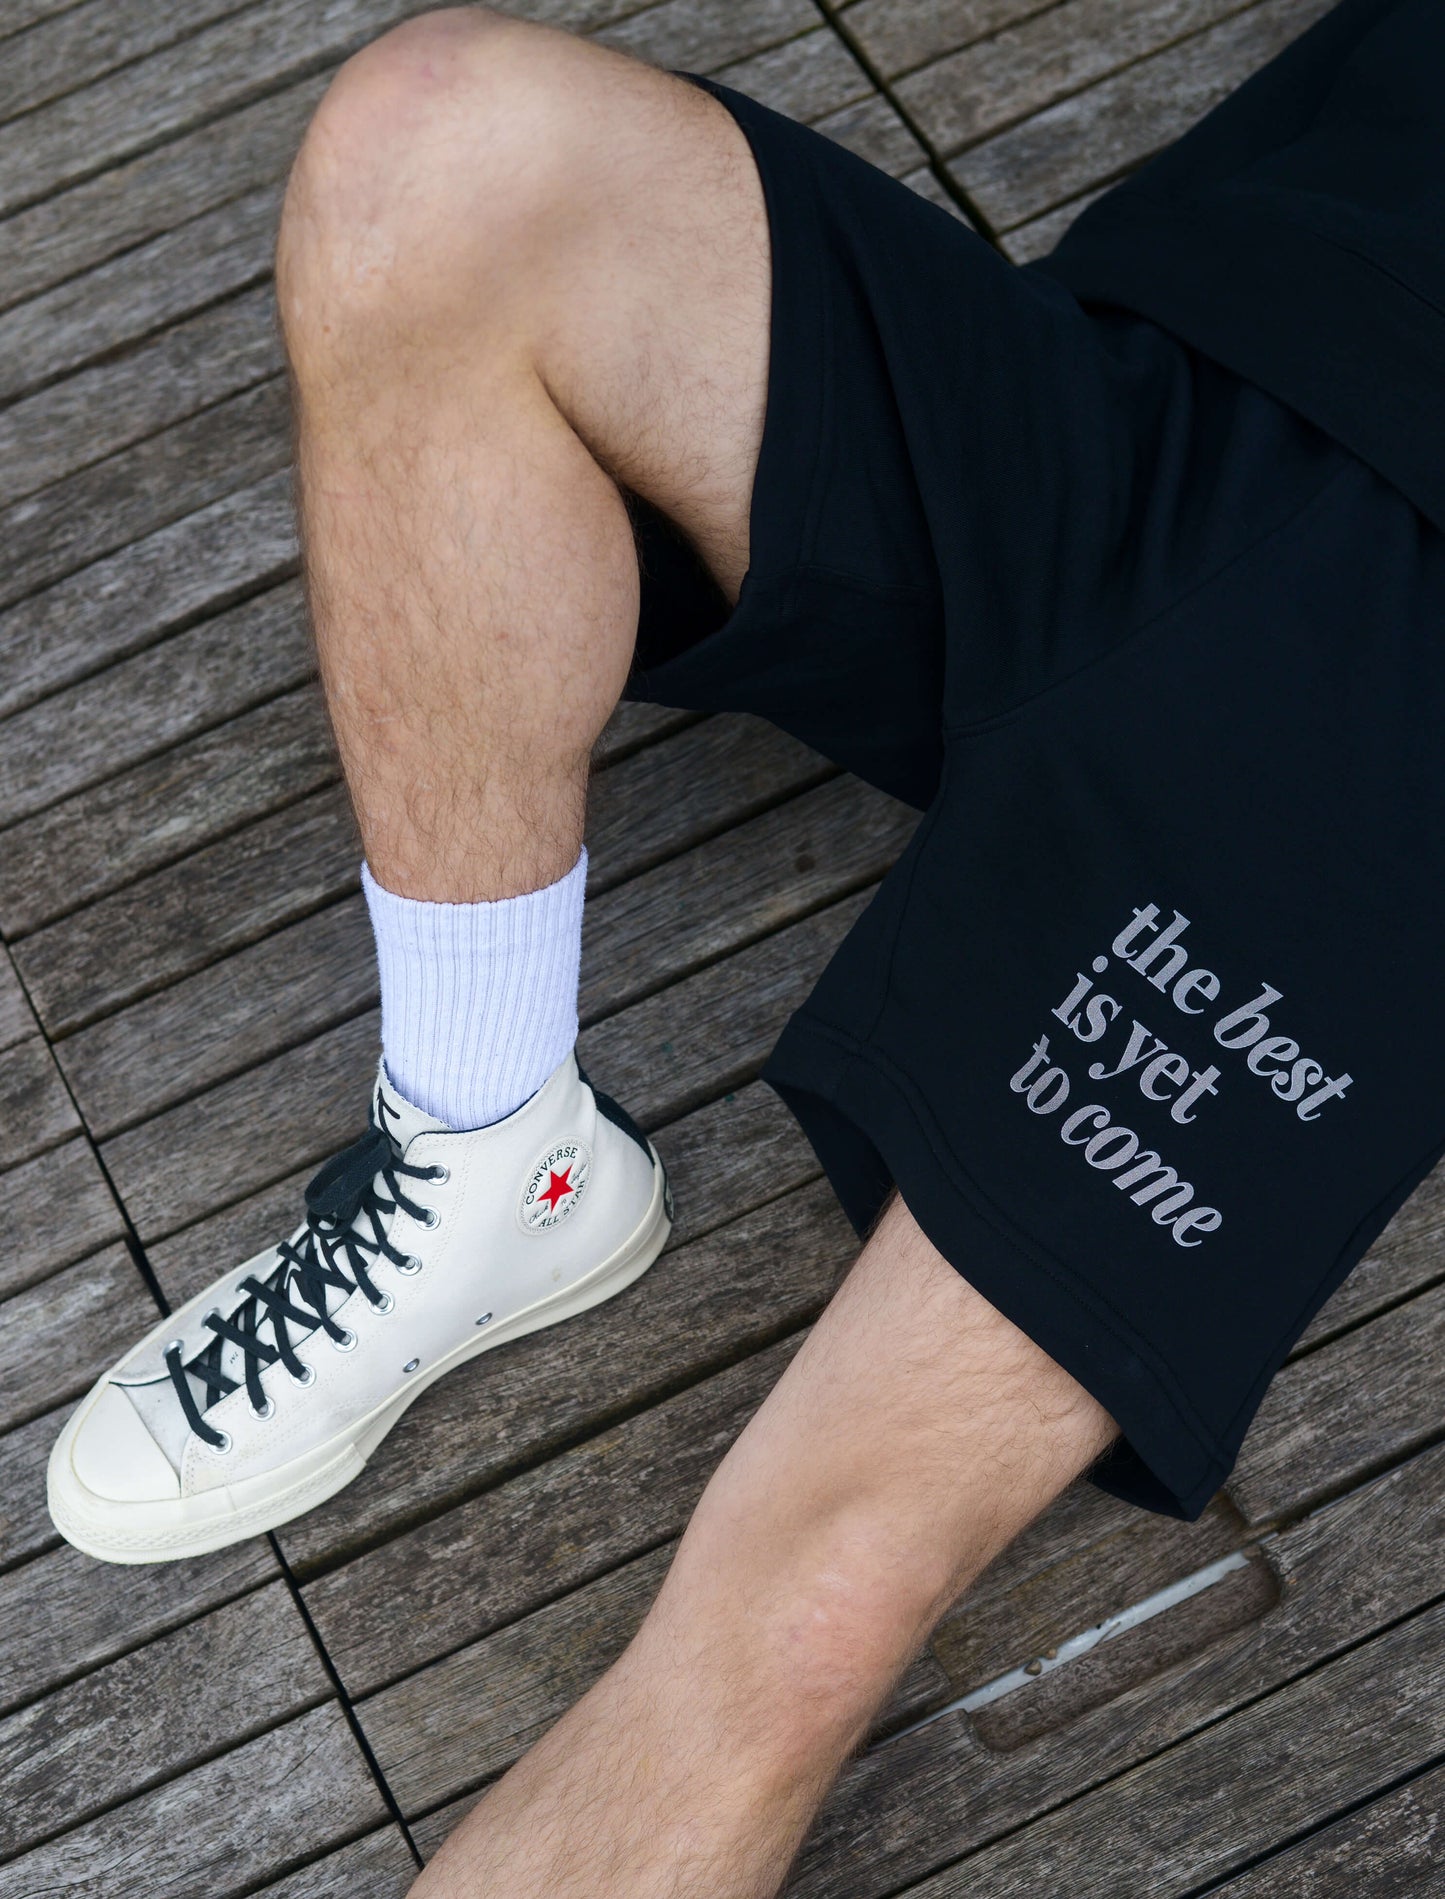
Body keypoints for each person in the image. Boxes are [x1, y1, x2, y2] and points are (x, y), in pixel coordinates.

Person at [45, 0, 1445, 1890]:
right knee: (441, 149)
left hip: (1389, 728)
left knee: (785, 1640)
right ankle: (491, 1148)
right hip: (1162, 391)